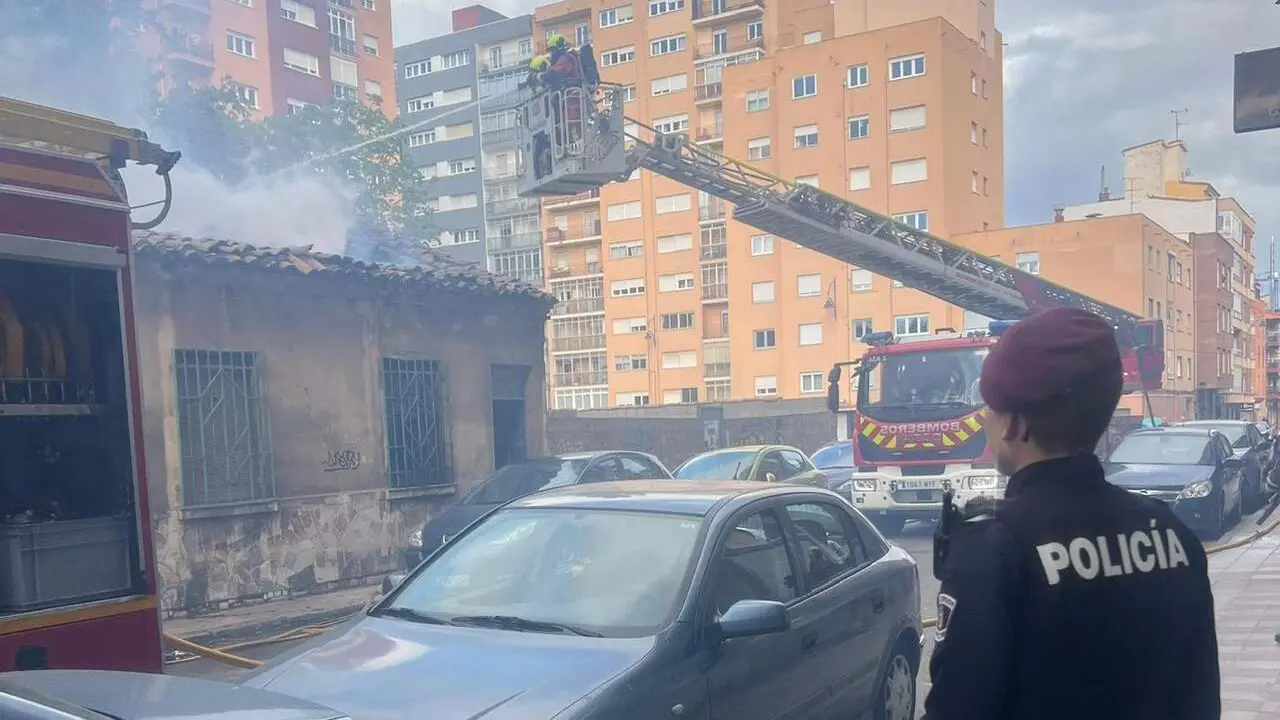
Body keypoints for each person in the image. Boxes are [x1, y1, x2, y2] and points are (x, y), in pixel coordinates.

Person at [924, 307, 1219, 720]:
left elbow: (957, 708)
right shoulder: (1173, 534)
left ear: (1014, 424)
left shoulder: (993, 550)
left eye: (989, 408)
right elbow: (1200, 698)